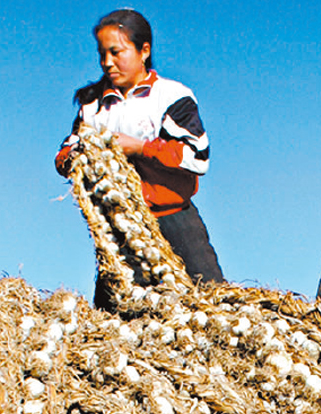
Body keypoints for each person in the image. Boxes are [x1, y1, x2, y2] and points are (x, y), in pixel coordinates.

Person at [55, 9, 224, 290]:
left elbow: (198, 158)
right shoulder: (93, 106)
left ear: (143, 51)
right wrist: (81, 156)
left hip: (174, 219)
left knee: (211, 300)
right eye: (102, 54)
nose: (107, 63)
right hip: (120, 227)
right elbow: (64, 156)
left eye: (116, 52)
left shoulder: (171, 96)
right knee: (115, 316)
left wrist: (140, 148)